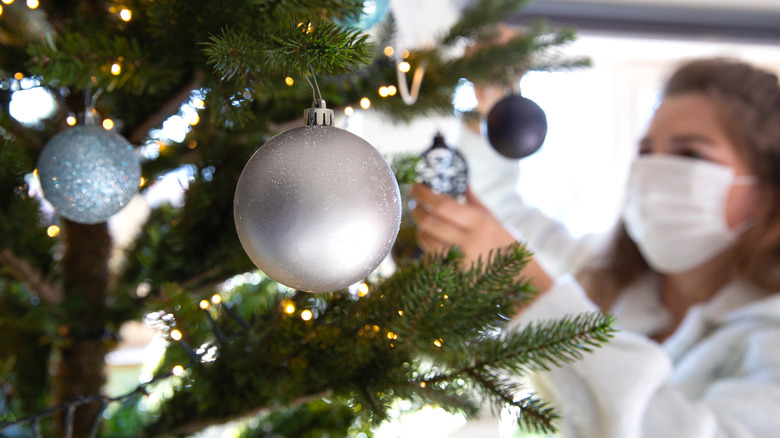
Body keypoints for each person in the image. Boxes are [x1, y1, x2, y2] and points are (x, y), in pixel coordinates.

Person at [410, 57, 780, 437]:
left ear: (766, 190)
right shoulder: (606, 271)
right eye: (647, 151)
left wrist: (527, 290)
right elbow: (499, 211)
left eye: (690, 155)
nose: (654, 175)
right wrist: (492, 108)